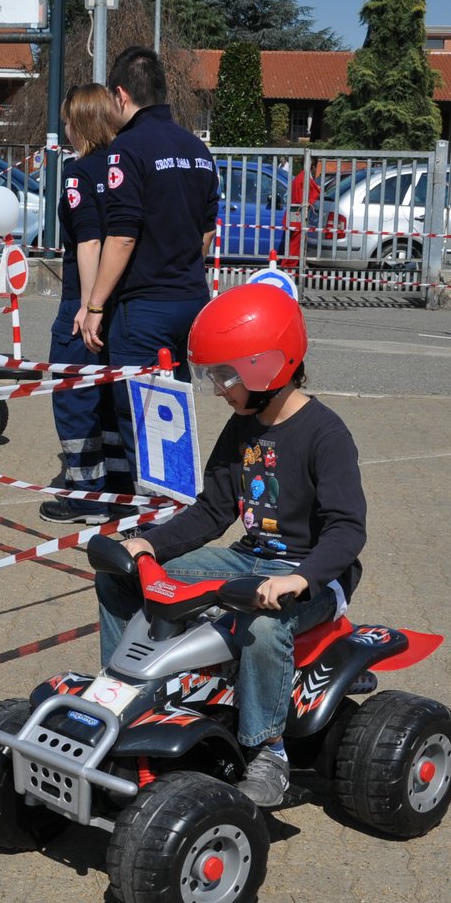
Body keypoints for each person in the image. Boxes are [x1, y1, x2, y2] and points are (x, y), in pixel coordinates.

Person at [94, 284, 367, 807]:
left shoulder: (325, 434)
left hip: (314, 576)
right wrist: (146, 545)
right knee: (122, 577)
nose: (219, 387)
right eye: (214, 375)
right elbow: (212, 511)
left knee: (262, 628)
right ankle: (125, 696)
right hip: (248, 558)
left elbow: (347, 531)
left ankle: (268, 749)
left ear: (267, 366)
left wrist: (298, 579)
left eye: (226, 375)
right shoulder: (242, 426)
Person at [78, 46, 219, 490]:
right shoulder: (197, 149)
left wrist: (95, 305)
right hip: (192, 301)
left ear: (121, 96)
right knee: (175, 407)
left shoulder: (127, 149)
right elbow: (205, 235)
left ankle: (152, 524)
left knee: (140, 413)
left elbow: (121, 236)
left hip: (145, 308)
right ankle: (176, 504)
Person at [39, 83, 128, 525]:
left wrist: (89, 305)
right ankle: (116, 490)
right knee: (112, 402)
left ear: (81, 123)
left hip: (84, 297)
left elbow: (90, 241)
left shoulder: (80, 173)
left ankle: (85, 497)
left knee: (75, 399)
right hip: (122, 300)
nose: (66, 128)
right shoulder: (124, 167)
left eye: (68, 120)